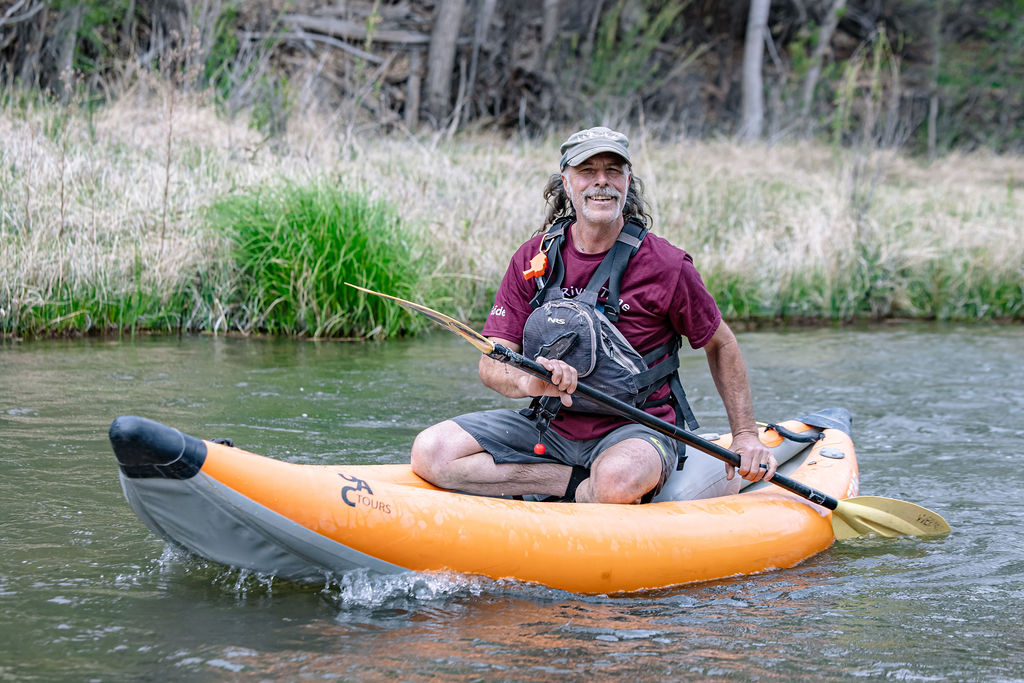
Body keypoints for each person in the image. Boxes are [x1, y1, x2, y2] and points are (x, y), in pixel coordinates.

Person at [411, 126, 775, 504]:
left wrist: (745, 434)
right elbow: (491, 364)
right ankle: (575, 487)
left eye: (613, 171)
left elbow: (722, 343)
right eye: (587, 171)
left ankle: (595, 489)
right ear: (566, 183)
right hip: (549, 426)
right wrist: (532, 382)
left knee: (617, 479)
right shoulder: (533, 258)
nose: (601, 182)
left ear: (627, 180)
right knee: (431, 451)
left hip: (637, 429)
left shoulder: (667, 265)